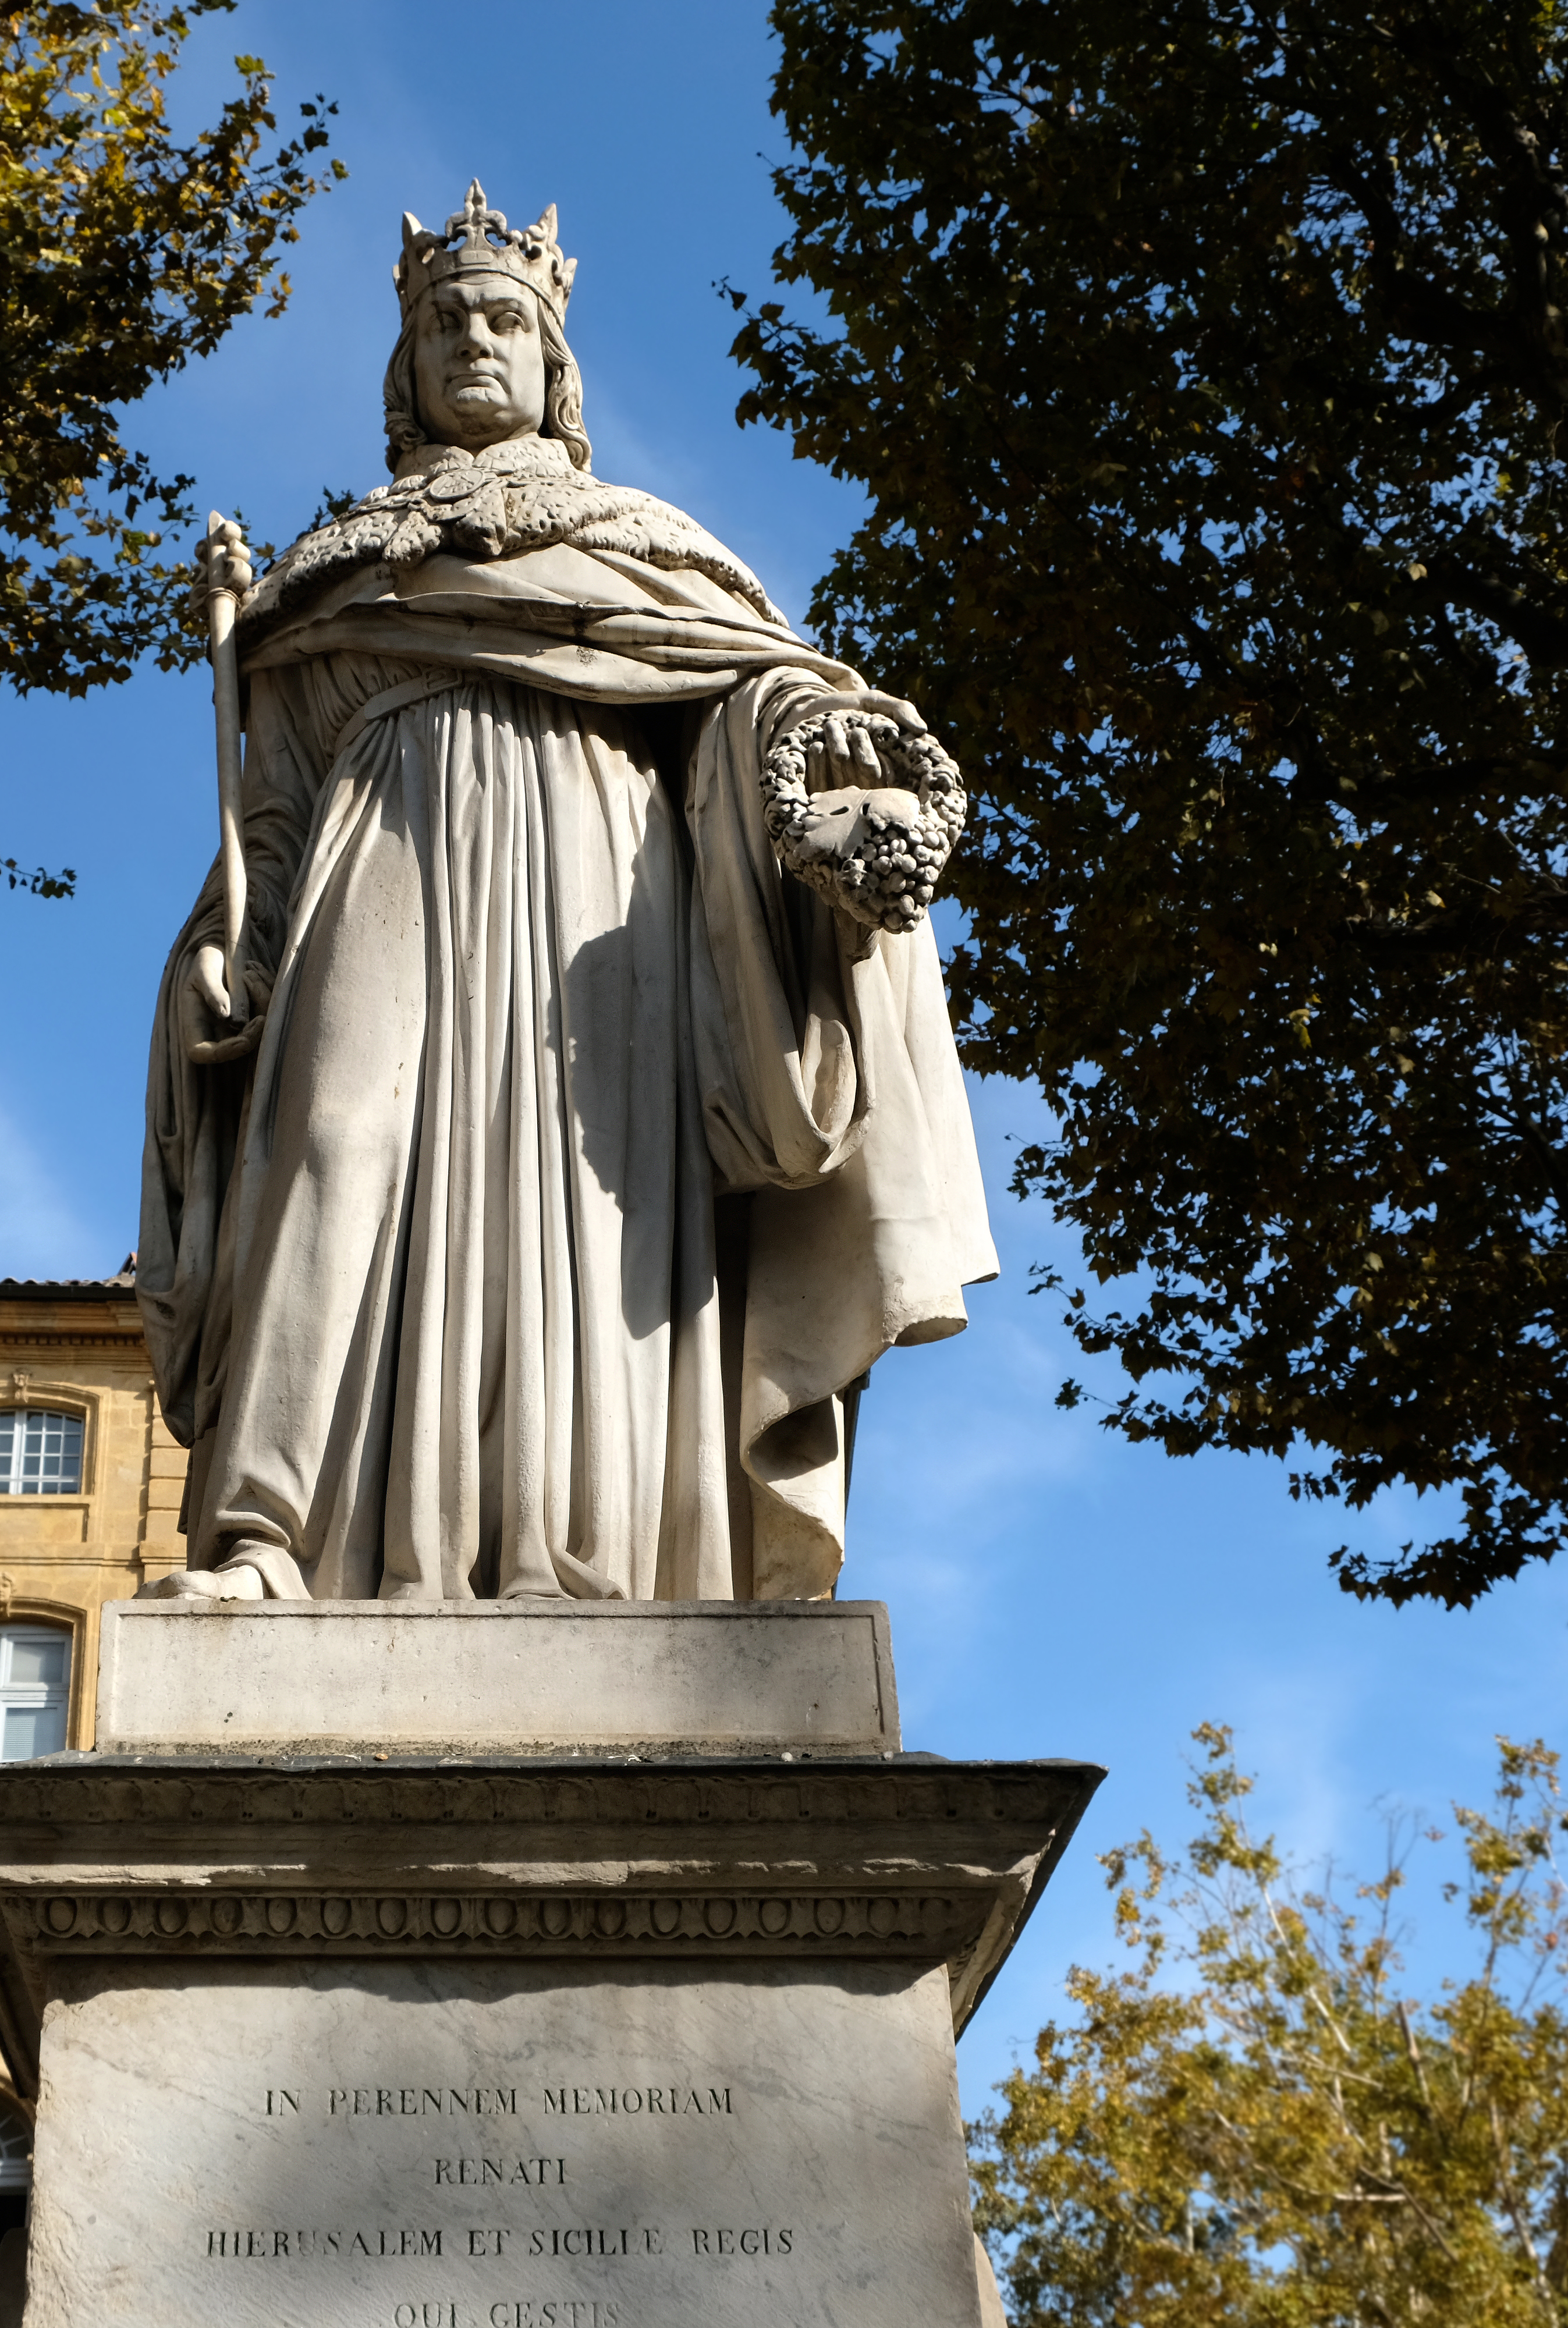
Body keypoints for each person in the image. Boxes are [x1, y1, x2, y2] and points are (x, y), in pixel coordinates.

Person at [134, 184, 995, 1605]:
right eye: (446, 321)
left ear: (553, 362)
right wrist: (236, 944)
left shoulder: (647, 547)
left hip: (606, 878)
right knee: (333, 1138)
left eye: (503, 319)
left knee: (587, 1193)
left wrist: (821, 770)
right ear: (404, 369)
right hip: (382, 854)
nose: (475, 338)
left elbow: (750, 700)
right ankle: (267, 1538)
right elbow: (270, 819)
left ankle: (592, 1556)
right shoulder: (326, 584)